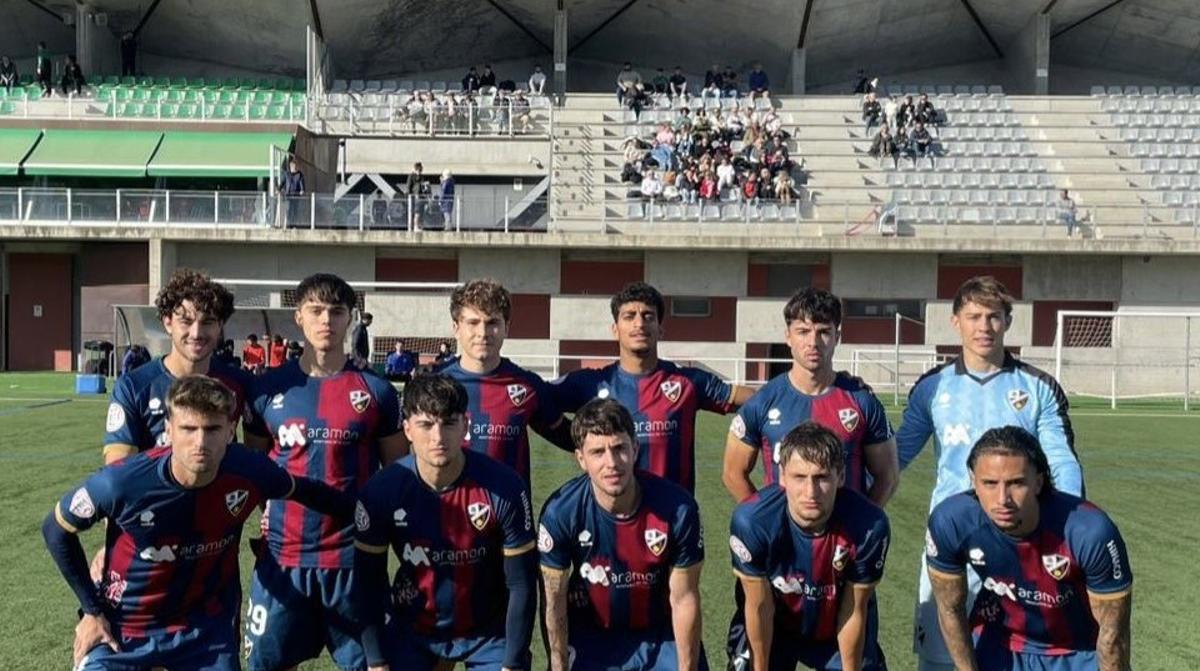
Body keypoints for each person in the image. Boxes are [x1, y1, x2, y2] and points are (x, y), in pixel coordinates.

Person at [44, 375, 353, 671]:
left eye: (212, 428)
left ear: (231, 430)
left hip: (203, 630)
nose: (200, 442)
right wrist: (92, 610)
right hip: (125, 626)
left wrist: (367, 513)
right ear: (169, 428)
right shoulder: (121, 483)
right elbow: (55, 530)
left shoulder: (250, 471)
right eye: (188, 428)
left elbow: (309, 492)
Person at [897, 275, 1083, 671]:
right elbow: (894, 456)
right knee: (940, 656)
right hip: (950, 541)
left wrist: (1063, 531)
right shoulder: (933, 388)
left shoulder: (1038, 388)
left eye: (994, 317)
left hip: (1020, 541)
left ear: (1007, 322)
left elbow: (1062, 463)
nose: (984, 327)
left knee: (1021, 650)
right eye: (974, 316)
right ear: (956, 322)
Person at [241, 273, 408, 671]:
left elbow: (398, 477)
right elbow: (254, 470)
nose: (326, 321)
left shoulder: (376, 390)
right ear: (298, 316)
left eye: (336, 312)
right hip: (284, 559)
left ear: (350, 317)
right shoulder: (267, 390)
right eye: (316, 311)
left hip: (353, 560)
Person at [354, 373, 537, 671]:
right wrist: (376, 661)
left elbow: (522, 583)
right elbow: (368, 583)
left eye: (449, 423)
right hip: (413, 628)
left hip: (489, 632)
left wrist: (513, 663)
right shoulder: (381, 492)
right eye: (426, 424)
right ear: (407, 429)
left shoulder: (504, 487)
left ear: (465, 425)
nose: (438, 437)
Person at [926, 426, 1131, 671]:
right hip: (999, 646)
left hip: (1079, 652)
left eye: (1016, 483)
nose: (1002, 499)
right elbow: (950, 608)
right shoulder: (951, 522)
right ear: (973, 481)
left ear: (1038, 482)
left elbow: (1112, 635)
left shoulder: (1089, 532)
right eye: (989, 483)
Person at [540, 398, 706, 671]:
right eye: (598, 452)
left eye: (620, 448)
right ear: (581, 459)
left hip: (659, 636)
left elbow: (684, 597)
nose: (612, 462)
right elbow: (553, 602)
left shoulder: (678, 509)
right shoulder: (561, 512)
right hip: (589, 637)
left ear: (635, 448)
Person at [553, 282, 755, 492]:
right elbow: (536, 400)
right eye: (629, 316)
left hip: (676, 518)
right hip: (612, 518)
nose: (639, 323)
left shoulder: (687, 383)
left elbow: (760, 401)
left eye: (648, 316)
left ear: (660, 329)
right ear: (615, 330)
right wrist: (574, 440)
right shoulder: (591, 384)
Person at [727, 422, 891, 671]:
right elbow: (759, 608)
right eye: (799, 477)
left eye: (822, 477)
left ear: (841, 476)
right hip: (775, 625)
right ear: (782, 476)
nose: (810, 491)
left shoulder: (868, 526)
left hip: (835, 624)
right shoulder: (752, 522)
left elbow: (853, 610)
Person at [722, 286, 897, 504]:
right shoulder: (763, 401)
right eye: (803, 331)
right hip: (783, 536)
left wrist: (863, 522)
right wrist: (763, 519)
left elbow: (887, 476)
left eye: (823, 332)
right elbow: (732, 473)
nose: (813, 342)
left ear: (837, 337)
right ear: (788, 337)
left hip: (846, 535)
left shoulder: (863, 402)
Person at [104, 269, 253, 462]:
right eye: (186, 322)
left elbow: (255, 456)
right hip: (154, 492)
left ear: (220, 326)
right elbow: (117, 467)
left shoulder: (240, 383)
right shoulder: (133, 386)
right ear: (167, 323)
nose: (196, 333)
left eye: (207, 322)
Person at [435, 279, 573, 483]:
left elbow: (573, 439)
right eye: (473, 323)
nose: (483, 333)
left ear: (507, 327)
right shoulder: (434, 385)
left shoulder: (527, 386)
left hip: (509, 512)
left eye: (492, 323)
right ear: (456, 328)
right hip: (446, 511)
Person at [282, 159, 305, 227]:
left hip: (296, 195)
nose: (294, 168)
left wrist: (302, 190)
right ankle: (289, 224)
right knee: (289, 210)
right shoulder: (287, 174)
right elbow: (283, 182)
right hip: (288, 196)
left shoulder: (299, 174)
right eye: (292, 166)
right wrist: (278, 189)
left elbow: (302, 184)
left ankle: (294, 225)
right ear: (290, 166)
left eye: (295, 166)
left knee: (295, 210)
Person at [406, 162, 426, 230]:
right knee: (416, 212)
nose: (420, 171)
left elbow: (424, 185)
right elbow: (409, 186)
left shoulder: (422, 176)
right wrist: (410, 195)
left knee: (420, 212)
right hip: (415, 196)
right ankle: (415, 226)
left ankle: (419, 226)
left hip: (421, 196)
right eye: (419, 169)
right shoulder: (411, 176)